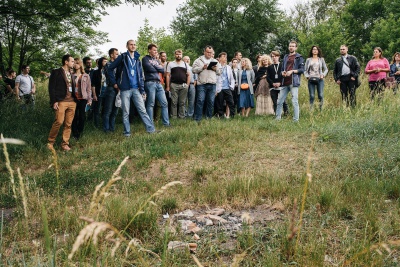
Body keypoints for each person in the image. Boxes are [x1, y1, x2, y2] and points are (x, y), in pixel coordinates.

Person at [107, 39, 157, 136]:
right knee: (126, 111)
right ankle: (127, 133)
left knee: (142, 110)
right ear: (127, 46)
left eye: (134, 45)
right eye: (131, 44)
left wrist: (142, 90)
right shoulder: (122, 57)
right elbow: (110, 68)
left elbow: (140, 76)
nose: (133, 46)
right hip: (125, 89)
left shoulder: (137, 59)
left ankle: (151, 130)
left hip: (136, 89)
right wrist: (114, 83)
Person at [47, 55, 77, 151]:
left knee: (68, 124)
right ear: (66, 62)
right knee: (58, 121)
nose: (74, 63)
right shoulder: (56, 72)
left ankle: (65, 144)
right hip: (61, 101)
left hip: (72, 102)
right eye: (72, 61)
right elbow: (51, 88)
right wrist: (54, 101)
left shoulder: (71, 73)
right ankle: (50, 142)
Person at [142, 43, 170, 126]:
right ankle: (150, 124)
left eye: (156, 50)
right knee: (150, 104)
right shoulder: (145, 59)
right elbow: (148, 68)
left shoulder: (157, 60)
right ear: (149, 50)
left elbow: (162, 70)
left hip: (159, 83)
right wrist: (157, 68)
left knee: (164, 103)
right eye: (154, 50)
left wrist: (157, 68)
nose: (155, 52)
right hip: (150, 82)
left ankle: (166, 123)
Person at [276, 41, 304, 122]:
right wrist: (282, 72)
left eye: (293, 46)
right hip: (285, 82)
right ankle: (277, 118)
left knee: (294, 101)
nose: (291, 47)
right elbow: (282, 69)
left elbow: (302, 70)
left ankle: (296, 120)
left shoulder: (299, 57)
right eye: (290, 46)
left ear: (296, 48)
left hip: (293, 82)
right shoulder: (285, 56)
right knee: (279, 101)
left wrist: (292, 71)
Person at [192, 45, 222, 122]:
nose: (209, 54)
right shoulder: (198, 60)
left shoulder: (215, 61)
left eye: (210, 52)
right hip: (202, 84)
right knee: (200, 100)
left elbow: (220, 72)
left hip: (212, 84)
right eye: (208, 52)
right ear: (204, 52)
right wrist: (202, 67)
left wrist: (216, 69)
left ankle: (208, 118)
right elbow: (193, 70)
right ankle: (197, 119)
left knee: (211, 101)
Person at [71, 58, 92, 140]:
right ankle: (75, 134)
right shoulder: (71, 75)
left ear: (80, 64)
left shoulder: (86, 76)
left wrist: (90, 100)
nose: (75, 64)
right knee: (74, 116)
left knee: (82, 117)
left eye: (77, 63)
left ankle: (80, 131)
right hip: (73, 99)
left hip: (83, 98)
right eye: (74, 63)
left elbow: (89, 89)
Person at [166, 49, 190, 119]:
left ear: (182, 55)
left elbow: (189, 75)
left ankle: (182, 116)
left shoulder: (185, 64)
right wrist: (168, 86)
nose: (178, 55)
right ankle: (174, 117)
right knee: (174, 102)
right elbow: (167, 75)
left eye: (180, 54)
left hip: (183, 85)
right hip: (174, 85)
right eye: (177, 54)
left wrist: (187, 85)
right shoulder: (171, 64)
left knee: (182, 102)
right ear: (175, 55)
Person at [304, 46, 329, 110]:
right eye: (313, 49)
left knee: (320, 95)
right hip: (311, 79)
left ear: (318, 51)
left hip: (320, 79)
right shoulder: (308, 60)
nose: (315, 50)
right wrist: (307, 76)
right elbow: (305, 70)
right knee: (312, 96)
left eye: (316, 49)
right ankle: (311, 110)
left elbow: (326, 69)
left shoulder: (321, 59)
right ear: (311, 51)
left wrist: (323, 75)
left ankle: (320, 109)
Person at [102, 48, 120, 133]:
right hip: (111, 88)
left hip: (118, 89)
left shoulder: (118, 65)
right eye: (116, 54)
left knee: (115, 110)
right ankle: (106, 128)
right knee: (108, 110)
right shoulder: (108, 64)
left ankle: (112, 128)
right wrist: (116, 85)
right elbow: (110, 76)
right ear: (111, 55)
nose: (118, 55)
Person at [215, 52, 235, 118]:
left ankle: (232, 115)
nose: (225, 58)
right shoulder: (216, 67)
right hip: (219, 88)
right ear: (220, 58)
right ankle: (221, 116)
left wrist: (231, 86)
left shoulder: (228, 67)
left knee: (231, 102)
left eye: (226, 57)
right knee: (220, 103)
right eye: (223, 57)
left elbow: (232, 78)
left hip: (227, 87)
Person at [91, 57, 108, 128]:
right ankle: (96, 125)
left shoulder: (108, 72)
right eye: (104, 61)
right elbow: (93, 84)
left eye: (107, 61)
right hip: (99, 93)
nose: (106, 63)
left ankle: (104, 124)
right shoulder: (95, 72)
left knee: (105, 109)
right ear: (101, 62)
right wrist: (94, 95)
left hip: (107, 93)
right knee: (97, 110)